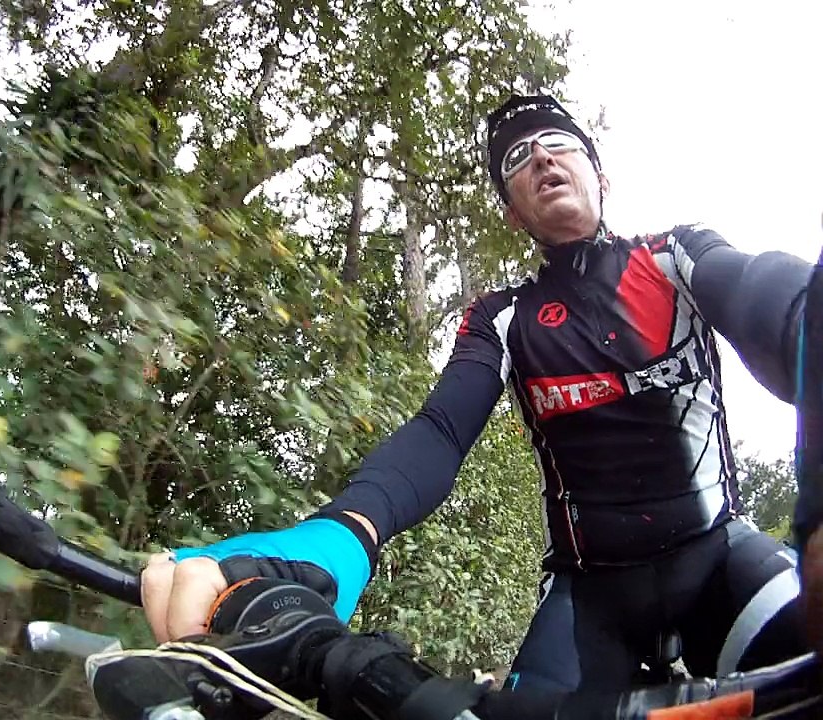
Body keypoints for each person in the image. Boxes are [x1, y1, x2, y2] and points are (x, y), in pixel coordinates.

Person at [142, 94, 820, 693]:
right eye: (519, 159)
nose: (543, 159)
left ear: (601, 174)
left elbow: (781, 309)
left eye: (561, 145)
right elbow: (440, 430)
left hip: (719, 561)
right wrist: (339, 536)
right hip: (589, 600)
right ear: (512, 212)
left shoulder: (675, 258)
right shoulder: (502, 317)